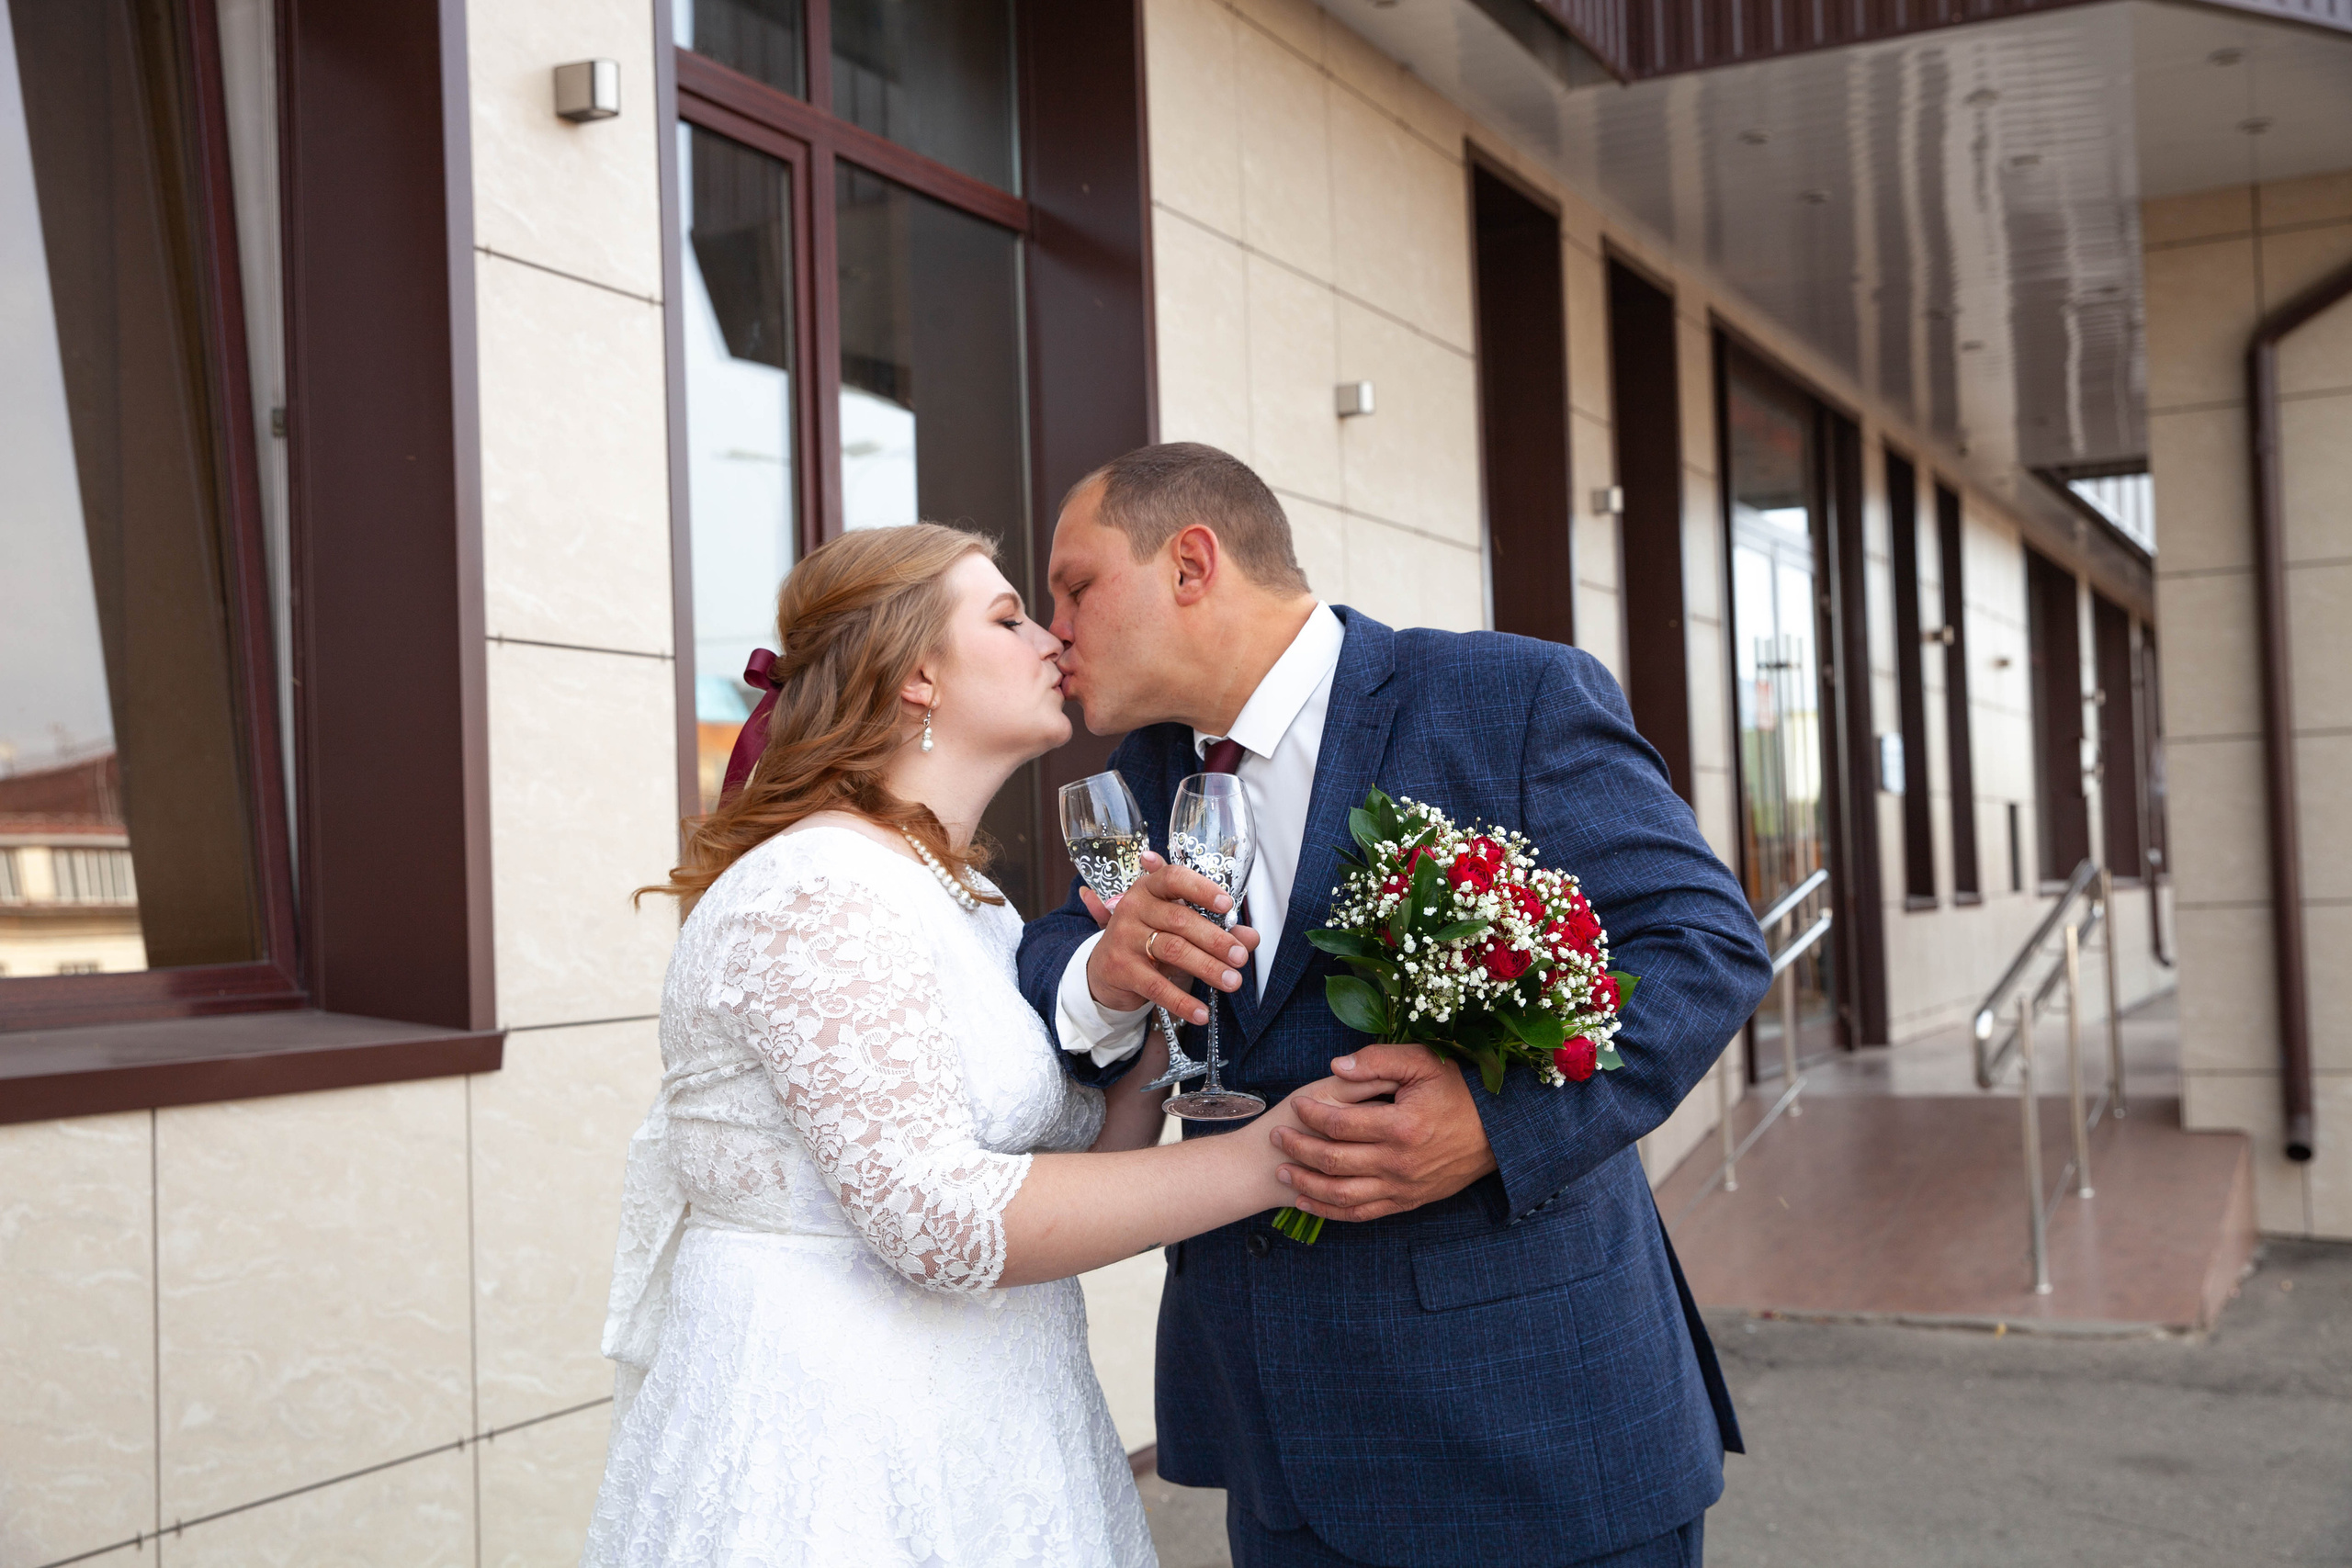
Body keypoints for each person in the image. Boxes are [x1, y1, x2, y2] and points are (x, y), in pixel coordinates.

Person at [1017, 443, 1775, 1568]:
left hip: (1535, 1429)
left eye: (1075, 587)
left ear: (1190, 565)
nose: (1054, 632)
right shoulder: (1145, 771)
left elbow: (1703, 947)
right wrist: (1101, 970)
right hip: (1278, 1447)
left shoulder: (1505, 697)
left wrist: (1494, 1125)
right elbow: (1051, 949)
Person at [583, 523, 1392, 1567]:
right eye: (1010, 619)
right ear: (916, 677)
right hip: (838, 1448)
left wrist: (1158, 997)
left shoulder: (970, 900)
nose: (1054, 639)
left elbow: (1084, 1170)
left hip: (996, 1431)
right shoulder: (815, 890)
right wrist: (1279, 1155)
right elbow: (940, 1219)